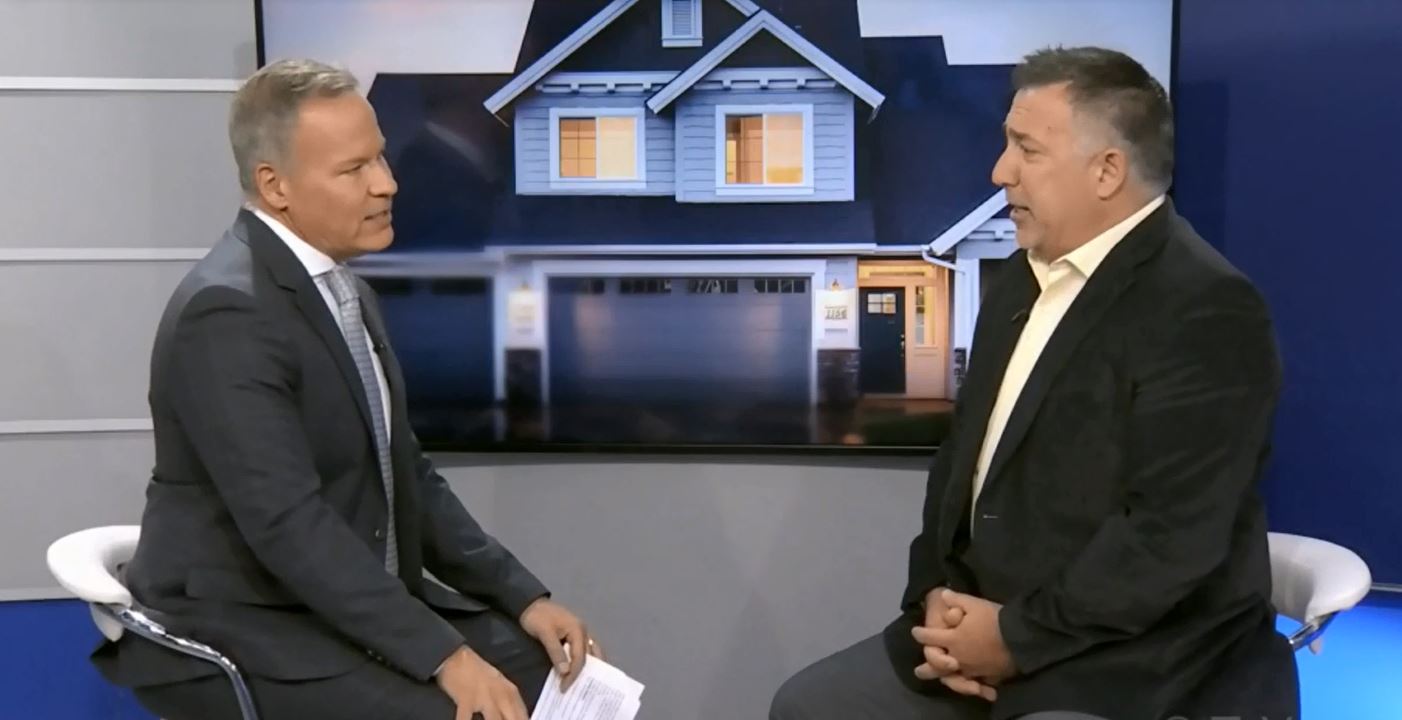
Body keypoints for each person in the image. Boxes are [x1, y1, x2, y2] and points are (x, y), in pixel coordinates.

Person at [770, 46, 1298, 720]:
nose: (1000, 172)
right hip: (983, 629)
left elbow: (1169, 538)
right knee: (808, 706)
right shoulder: (1021, 279)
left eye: (1027, 149)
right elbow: (960, 462)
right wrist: (935, 597)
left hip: (1129, 662)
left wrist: (1013, 640)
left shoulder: (1207, 309)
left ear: (1107, 170)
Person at [91, 58, 601, 720]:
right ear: (275, 185)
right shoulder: (228, 314)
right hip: (249, 619)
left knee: (565, 681)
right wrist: (445, 657)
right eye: (353, 169)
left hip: (334, 601)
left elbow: (406, 473)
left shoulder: (344, 290)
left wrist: (523, 597)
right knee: (466, 711)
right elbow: (289, 525)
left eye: (379, 157)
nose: (387, 183)